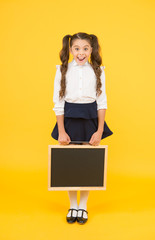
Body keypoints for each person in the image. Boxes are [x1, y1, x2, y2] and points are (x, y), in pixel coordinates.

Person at [51, 32, 113, 224]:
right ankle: (72, 205)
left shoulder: (98, 71)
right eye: (77, 48)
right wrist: (61, 130)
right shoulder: (62, 70)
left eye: (85, 48)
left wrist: (99, 130)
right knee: (70, 163)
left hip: (90, 119)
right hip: (69, 119)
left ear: (91, 50)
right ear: (70, 50)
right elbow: (58, 102)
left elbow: (101, 103)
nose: (81, 52)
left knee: (87, 163)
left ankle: (83, 206)